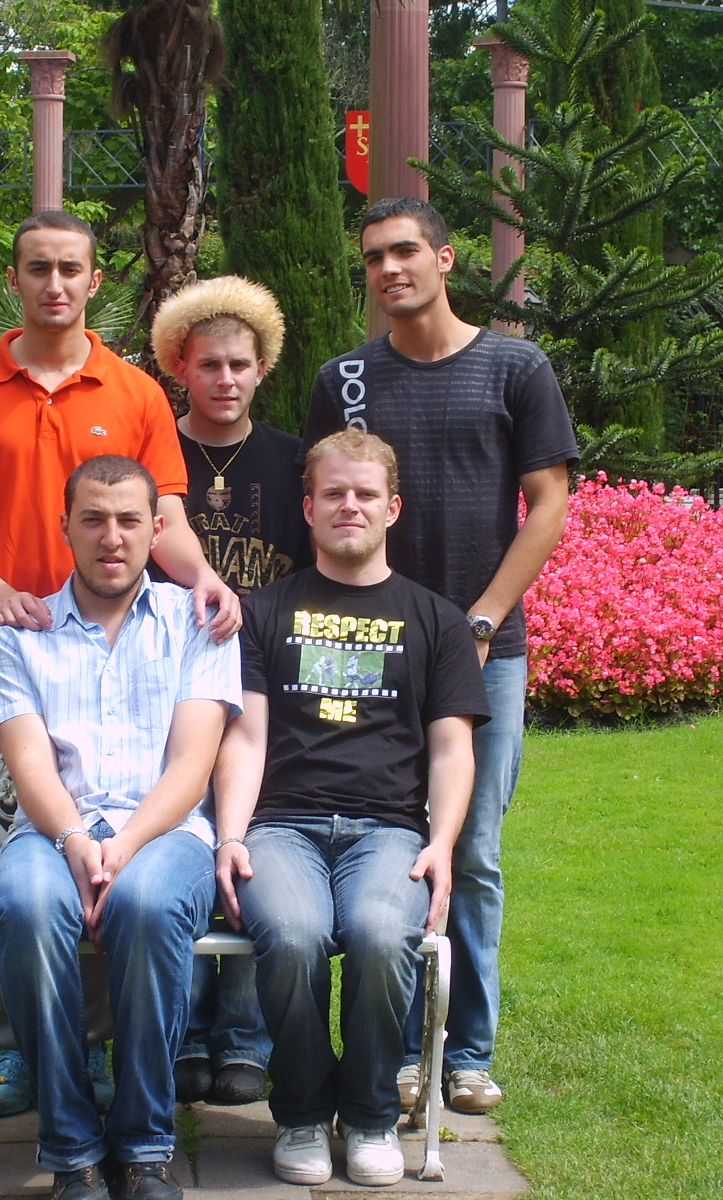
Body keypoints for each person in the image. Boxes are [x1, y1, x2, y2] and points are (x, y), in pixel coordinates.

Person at [0, 210, 241, 1119]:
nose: (54, 284)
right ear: (14, 279)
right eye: (38, 268)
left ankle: (93, 1046)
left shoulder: (133, 392)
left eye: (71, 269)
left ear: (95, 281)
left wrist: (206, 580)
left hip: (126, 646)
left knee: (106, 845)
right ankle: (17, 1049)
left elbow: (162, 518)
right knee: (11, 852)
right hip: (13, 647)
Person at [302, 196, 578, 1116]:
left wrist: (484, 620)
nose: (389, 270)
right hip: (368, 651)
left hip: (484, 650)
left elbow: (548, 503)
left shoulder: (514, 367)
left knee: (474, 851)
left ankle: (467, 1050)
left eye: (405, 251)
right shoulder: (345, 380)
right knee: (383, 842)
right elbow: (324, 513)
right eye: (373, 258)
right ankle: (397, 1050)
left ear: (446, 258)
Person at [213, 430, 487, 1187]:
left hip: (390, 830)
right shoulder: (262, 612)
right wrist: (232, 835)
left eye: (366, 494)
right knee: (293, 935)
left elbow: (452, 750)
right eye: (333, 493)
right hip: (282, 827)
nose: (350, 506)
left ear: (392, 508)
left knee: (378, 934)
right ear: (308, 508)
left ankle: (369, 1114)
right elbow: (245, 737)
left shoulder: (438, 621)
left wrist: (442, 843)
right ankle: (302, 1111)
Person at [0, 455, 241, 1200]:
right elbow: (30, 763)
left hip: (166, 832)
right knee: (26, 906)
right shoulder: (17, 634)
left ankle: (143, 1146)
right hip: (53, 830)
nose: (111, 536)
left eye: (129, 520)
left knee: (149, 904)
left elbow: (192, 767)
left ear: (157, 530)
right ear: (64, 525)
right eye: (93, 519)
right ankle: (72, 1151)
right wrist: (76, 842)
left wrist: (122, 848)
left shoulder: (198, 623)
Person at [148, 276, 313, 1106]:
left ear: (262, 368)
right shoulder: (156, 454)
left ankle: (244, 1034)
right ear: (180, 366)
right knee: (179, 840)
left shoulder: (292, 459)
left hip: (266, 682)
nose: (224, 379)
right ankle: (181, 1030)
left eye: (239, 364)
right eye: (208, 363)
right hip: (167, 682)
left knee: (250, 841)